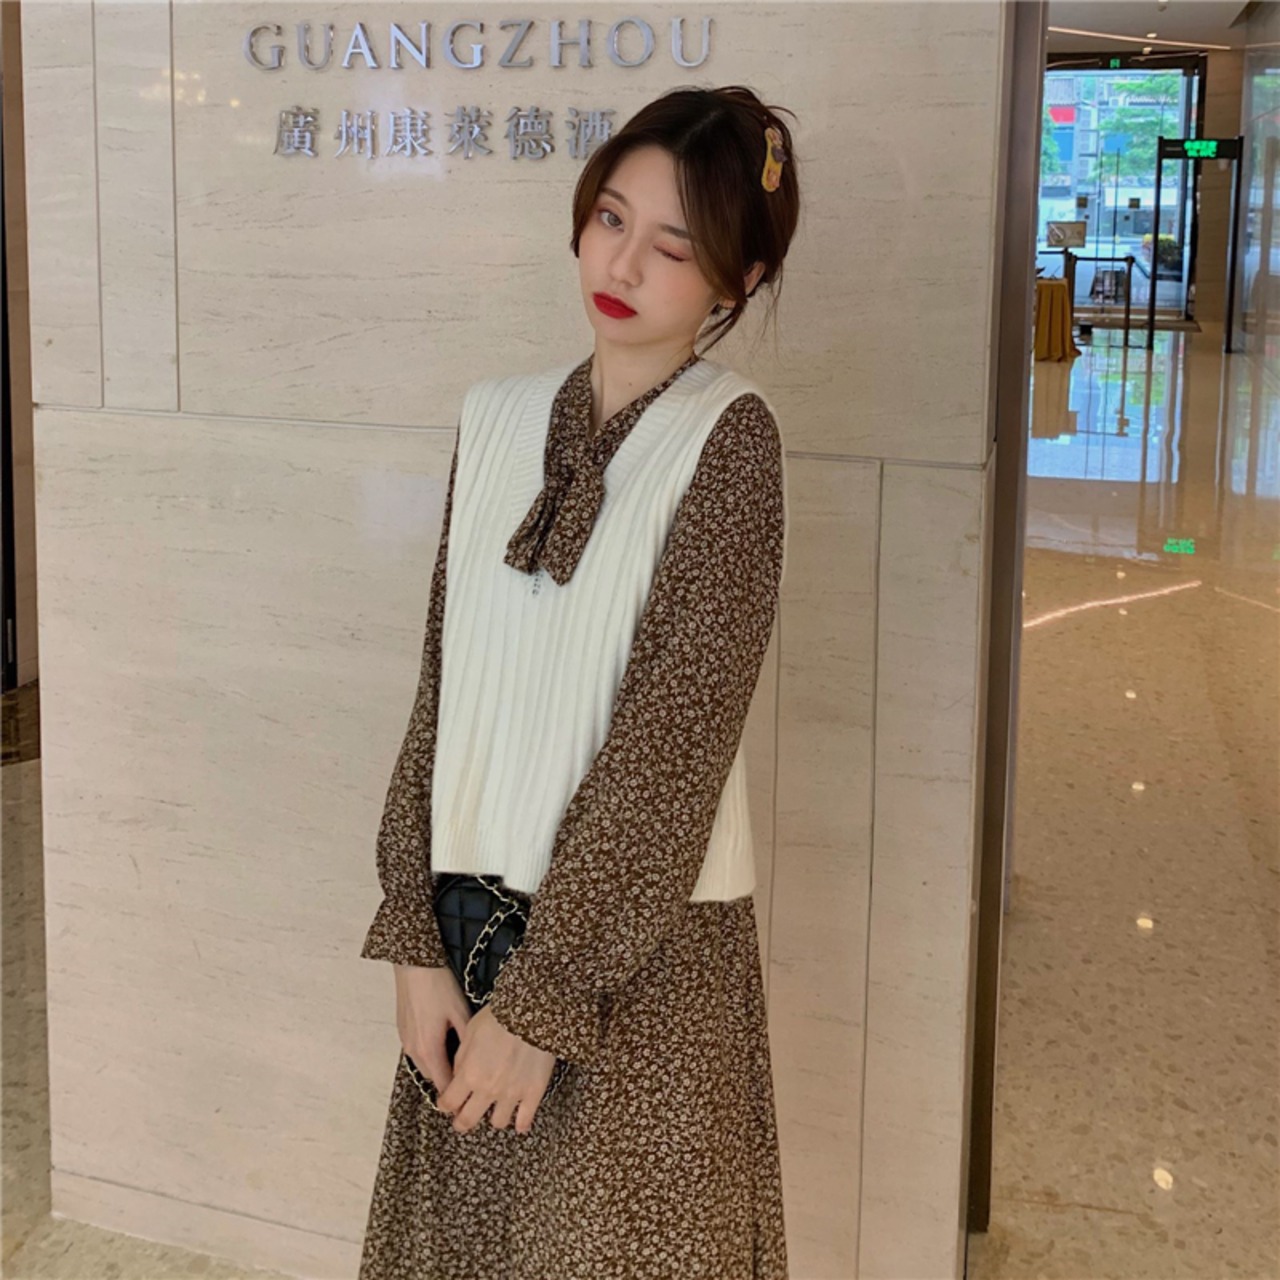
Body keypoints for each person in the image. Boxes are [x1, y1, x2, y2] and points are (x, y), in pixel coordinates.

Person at [357, 83, 801, 1279]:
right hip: (461, 938)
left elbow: (670, 754)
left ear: (739, 280)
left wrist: (544, 998)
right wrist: (411, 939)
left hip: (636, 962)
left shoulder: (730, 440)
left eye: (675, 246)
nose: (624, 263)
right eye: (611, 218)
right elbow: (440, 693)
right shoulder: (495, 418)